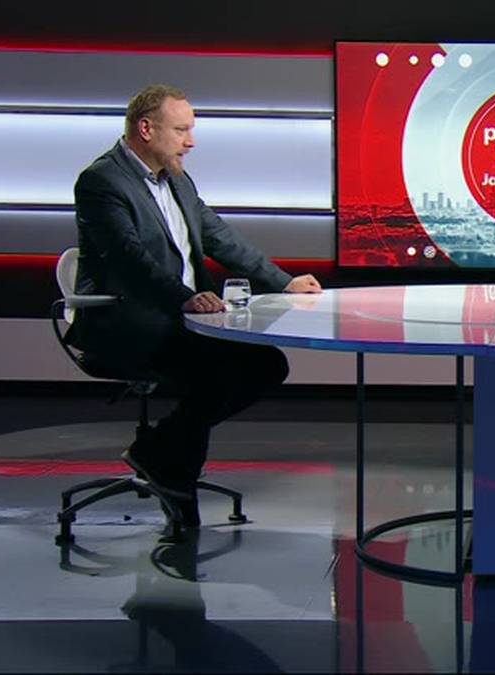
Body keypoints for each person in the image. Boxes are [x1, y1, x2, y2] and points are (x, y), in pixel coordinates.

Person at [69, 84, 322, 526]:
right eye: (181, 130)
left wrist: (283, 282)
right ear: (146, 129)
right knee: (216, 371)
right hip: (127, 321)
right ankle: (172, 475)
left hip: (180, 317)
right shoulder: (102, 182)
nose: (191, 142)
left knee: (267, 364)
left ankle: (161, 454)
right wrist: (185, 299)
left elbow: (220, 237)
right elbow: (131, 261)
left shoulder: (177, 179)